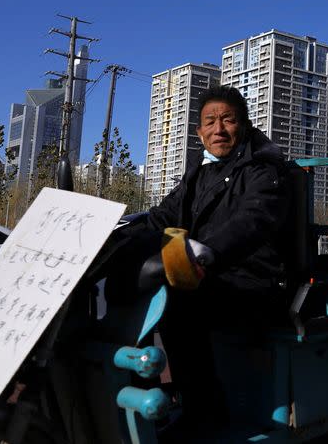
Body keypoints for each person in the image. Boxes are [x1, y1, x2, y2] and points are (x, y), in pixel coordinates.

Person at [103, 84, 291, 427]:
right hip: (208, 273)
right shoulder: (200, 172)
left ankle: (206, 411)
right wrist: (113, 237)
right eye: (210, 122)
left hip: (254, 280)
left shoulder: (265, 169)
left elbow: (253, 220)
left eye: (228, 120)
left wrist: (209, 252)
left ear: (244, 125)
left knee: (181, 305)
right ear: (199, 131)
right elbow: (162, 216)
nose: (219, 129)